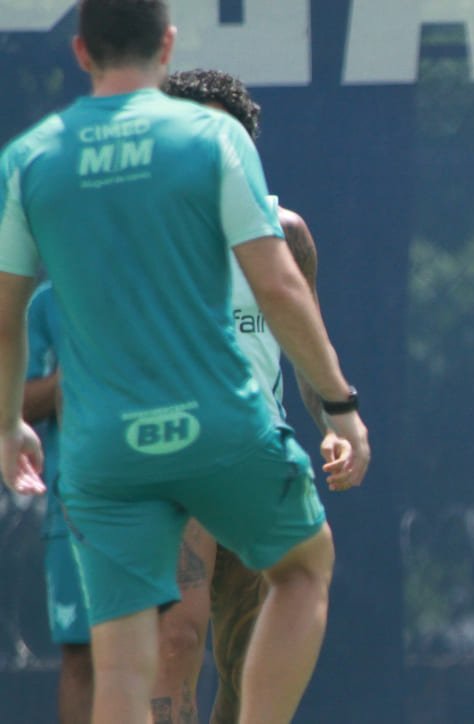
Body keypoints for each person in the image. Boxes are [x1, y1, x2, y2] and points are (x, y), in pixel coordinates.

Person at [0, 2, 370, 723]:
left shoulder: (36, 157)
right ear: (165, 47)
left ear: (81, 52)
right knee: (182, 634)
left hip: (178, 444)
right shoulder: (190, 158)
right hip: (209, 434)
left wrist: (331, 410)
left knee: (193, 658)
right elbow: (278, 287)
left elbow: (292, 308)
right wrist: (347, 408)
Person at [146, 68, 343, 724]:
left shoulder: (284, 233)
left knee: (249, 662)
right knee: (175, 639)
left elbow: (309, 347)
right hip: (173, 455)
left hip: (260, 453)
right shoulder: (139, 237)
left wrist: (338, 424)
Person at [22, 281, 92, 723]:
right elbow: (18, 405)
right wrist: (76, 375)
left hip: (161, 497)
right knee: (82, 653)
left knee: (167, 643)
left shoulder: (162, 282)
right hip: (73, 505)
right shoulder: (45, 303)